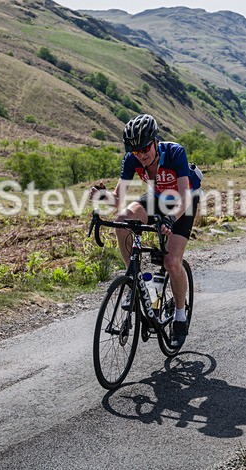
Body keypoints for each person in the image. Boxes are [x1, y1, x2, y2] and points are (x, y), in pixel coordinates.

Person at [92, 114, 201, 348]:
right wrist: (102, 196)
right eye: (136, 151)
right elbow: (117, 199)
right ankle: (133, 279)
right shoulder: (132, 159)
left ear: (155, 141)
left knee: (171, 261)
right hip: (157, 197)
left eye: (145, 149)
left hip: (184, 202)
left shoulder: (174, 153)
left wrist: (170, 219)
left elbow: (184, 197)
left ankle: (180, 316)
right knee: (122, 221)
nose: (141, 155)